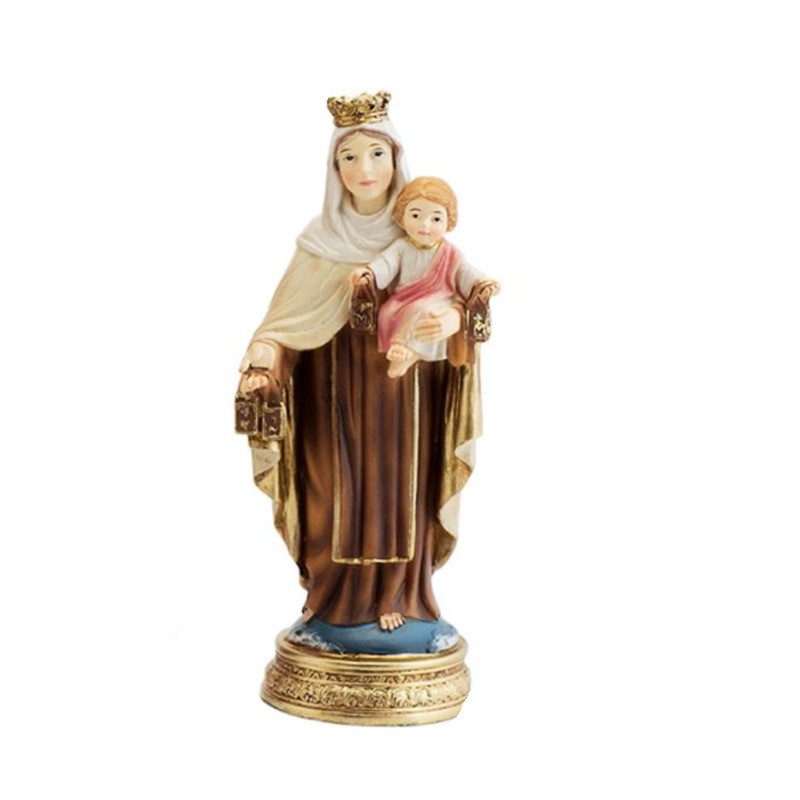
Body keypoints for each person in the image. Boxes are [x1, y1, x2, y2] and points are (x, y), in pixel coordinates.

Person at [238, 92, 486, 638]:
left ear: (397, 158)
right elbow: (287, 322)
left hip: (405, 399)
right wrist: (265, 354)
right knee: (331, 493)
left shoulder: (420, 232)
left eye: (377, 153)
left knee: (400, 495)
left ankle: (401, 597)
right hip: (329, 398)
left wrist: (452, 318)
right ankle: (331, 599)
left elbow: (462, 294)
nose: (364, 169)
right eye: (348, 156)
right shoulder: (319, 243)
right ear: (333, 168)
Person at [352, 176, 500, 378]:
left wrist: (483, 282)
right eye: (415, 215)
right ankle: (397, 346)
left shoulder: (450, 253)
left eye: (436, 219)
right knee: (387, 312)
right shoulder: (401, 247)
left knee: (427, 314)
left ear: (449, 221)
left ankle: (410, 353)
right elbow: (385, 264)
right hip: (404, 298)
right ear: (402, 215)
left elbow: (466, 272)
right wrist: (368, 273)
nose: (425, 225)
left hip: (439, 299)